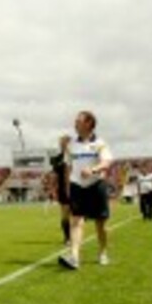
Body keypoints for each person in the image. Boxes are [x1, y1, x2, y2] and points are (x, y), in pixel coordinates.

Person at [58, 111, 113, 270]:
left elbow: (107, 162)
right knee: (76, 221)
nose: (75, 123)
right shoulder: (71, 144)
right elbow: (68, 166)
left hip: (96, 185)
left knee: (101, 224)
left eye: (78, 121)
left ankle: (103, 252)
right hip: (77, 186)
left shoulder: (100, 143)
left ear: (88, 123)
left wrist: (93, 169)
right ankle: (74, 257)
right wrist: (68, 186)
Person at [49, 135, 71, 245]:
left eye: (65, 143)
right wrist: (52, 189)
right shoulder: (57, 159)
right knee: (65, 214)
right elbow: (54, 175)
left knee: (77, 214)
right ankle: (67, 238)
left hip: (77, 188)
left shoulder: (76, 157)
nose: (63, 145)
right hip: (63, 189)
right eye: (61, 143)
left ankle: (75, 236)